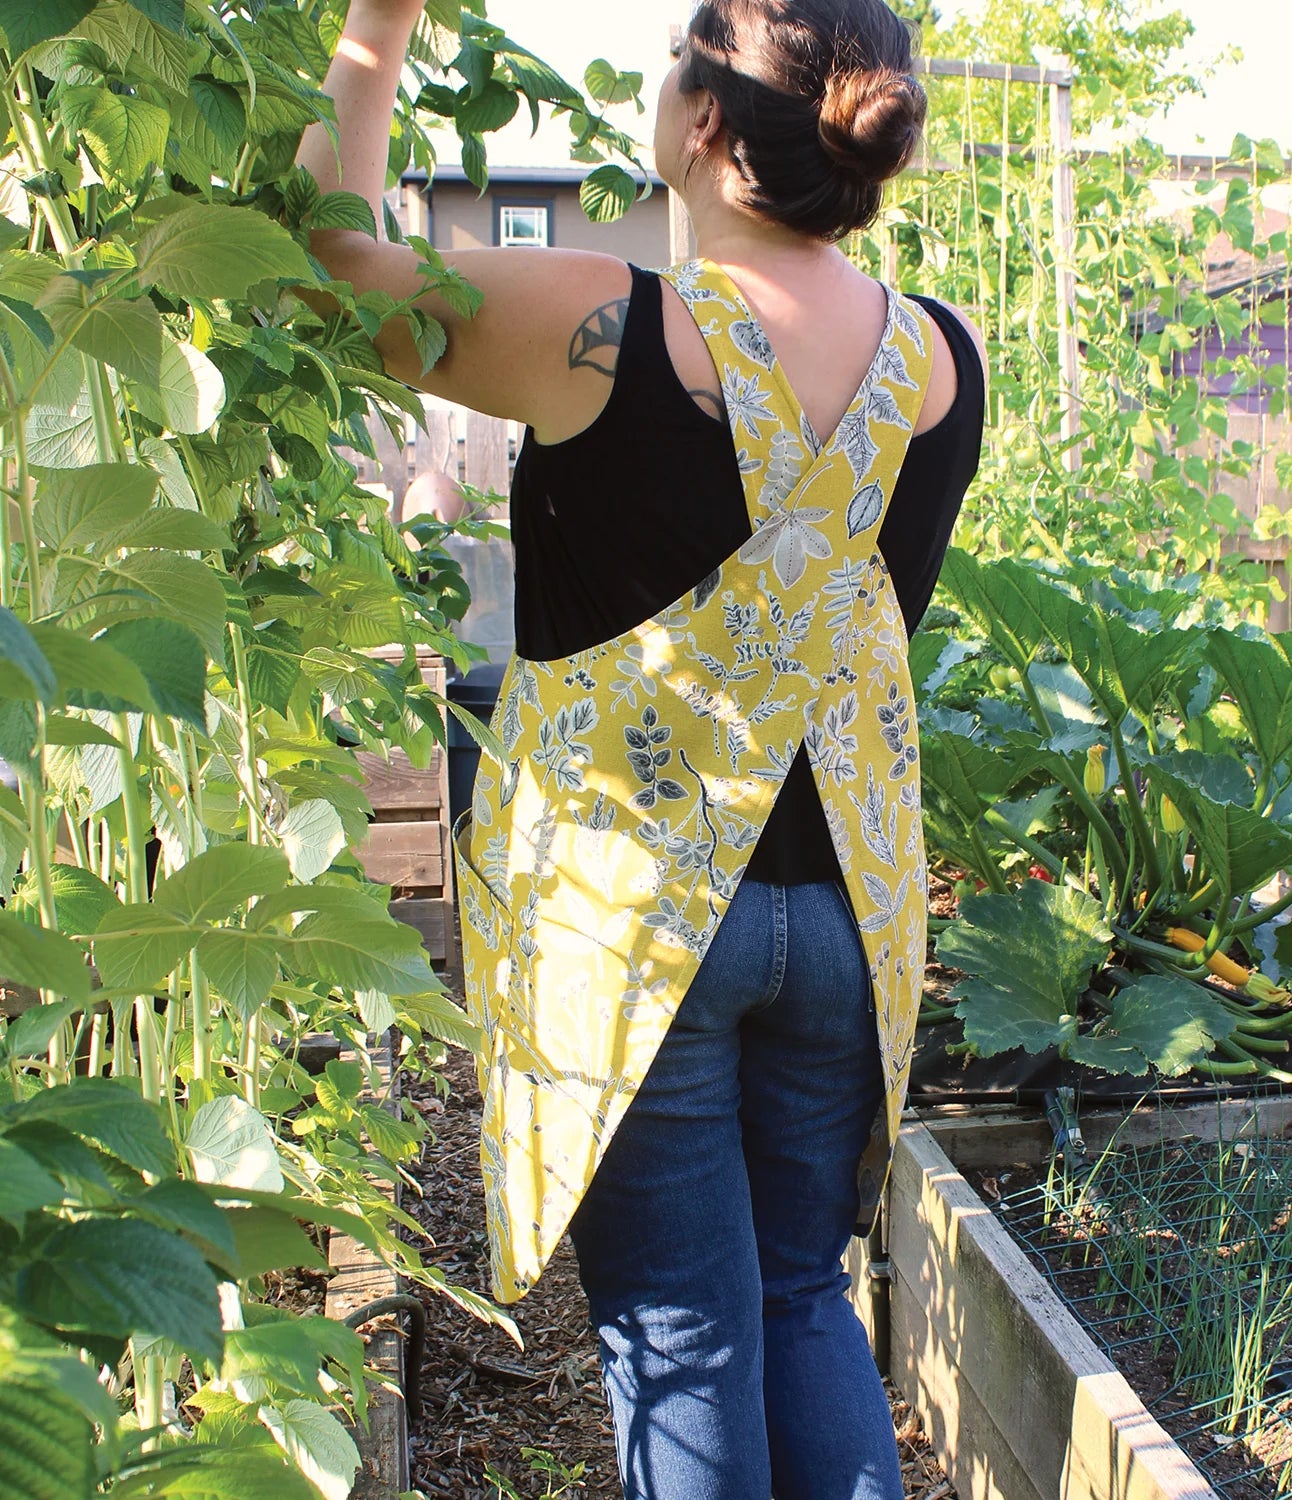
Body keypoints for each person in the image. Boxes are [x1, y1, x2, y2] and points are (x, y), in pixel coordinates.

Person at [298, 3, 985, 1495]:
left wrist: (376, 31)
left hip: (638, 924)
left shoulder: (601, 323)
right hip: (847, 918)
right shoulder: (942, 360)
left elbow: (333, 275)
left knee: (681, 1329)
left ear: (707, 122)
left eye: (680, 53)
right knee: (803, 1298)